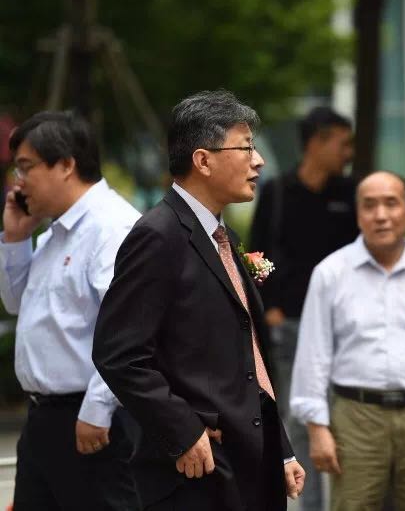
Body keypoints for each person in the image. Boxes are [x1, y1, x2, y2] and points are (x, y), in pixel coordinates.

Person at [93, 90, 304, 511]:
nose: (259, 161)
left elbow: (249, 353)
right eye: (246, 147)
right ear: (203, 161)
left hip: (252, 458)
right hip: (199, 470)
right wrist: (183, 431)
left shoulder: (224, 237)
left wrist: (280, 449)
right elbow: (120, 354)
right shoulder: (158, 236)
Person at [290, 171, 405, 511]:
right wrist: (317, 427)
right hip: (356, 417)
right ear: (358, 214)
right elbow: (313, 355)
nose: (381, 215)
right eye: (369, 205)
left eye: (391, 203)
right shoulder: (331, 273)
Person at [0, 111, 140, 509]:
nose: (17, 182)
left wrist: (97, 408)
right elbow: (16, 303)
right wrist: (15, 239)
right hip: (43, 419)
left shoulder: (111, 228)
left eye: (26, 167)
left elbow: (130, 330)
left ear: (65, 165)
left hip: (94, 420)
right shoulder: (55, 232)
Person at [250, 106, 358, 511]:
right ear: (316, 143)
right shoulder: (278, 192)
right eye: (342, 143)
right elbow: (257, 255)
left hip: (344, 327)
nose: (348, 152)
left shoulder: (350, 194)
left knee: (349, 419)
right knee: (300, 421)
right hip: (291, 324)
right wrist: (271, 306)